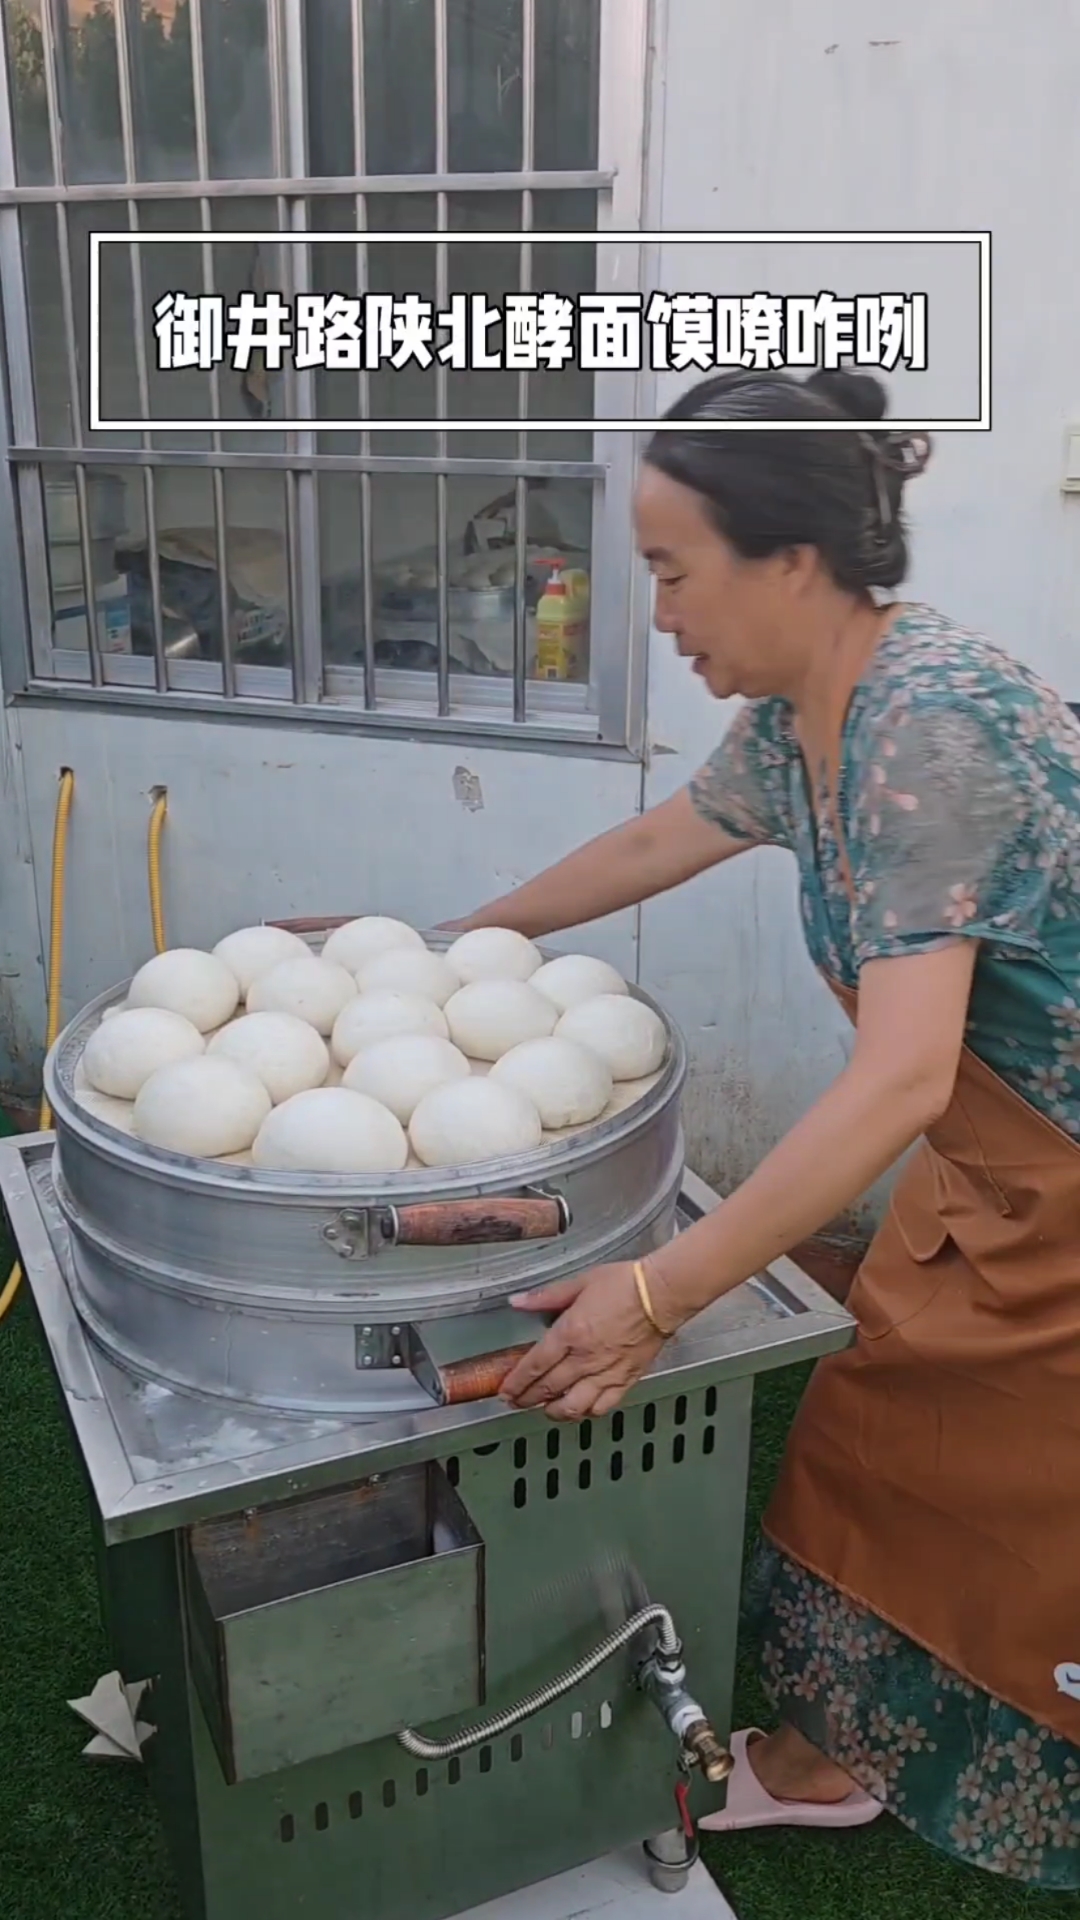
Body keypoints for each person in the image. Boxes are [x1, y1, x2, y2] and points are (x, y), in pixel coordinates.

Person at [448, 367, 1080, 1886]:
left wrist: (663, 1291)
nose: (654, 614)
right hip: (1003, 1161)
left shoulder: (931, 725)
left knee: (1019, 1513)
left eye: (672, 570)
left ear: (791, 562)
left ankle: (880, 1756)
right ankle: (825, 1761)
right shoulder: (816, 708)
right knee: (875, 1433)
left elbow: (904, 1074)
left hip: (1054, 1168)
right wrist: (445, 951)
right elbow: (663, 837)